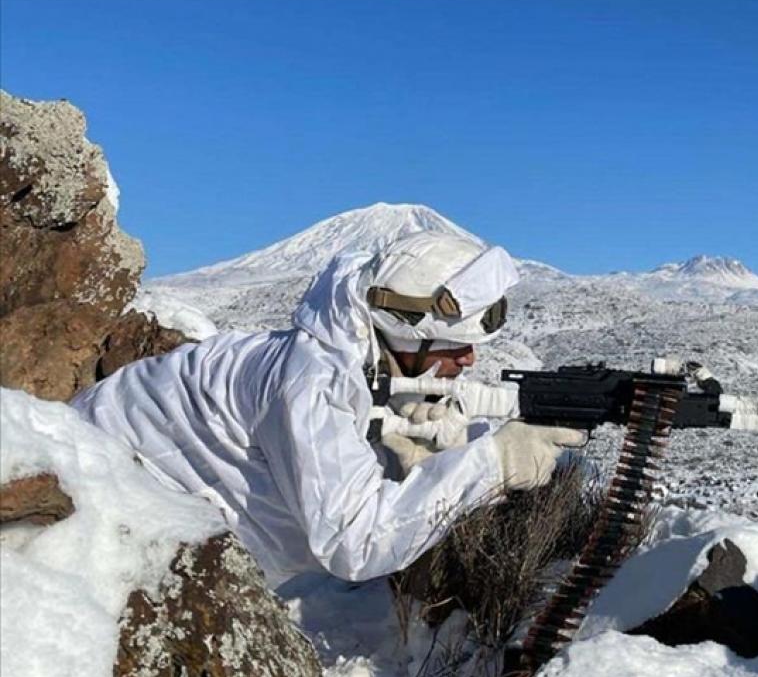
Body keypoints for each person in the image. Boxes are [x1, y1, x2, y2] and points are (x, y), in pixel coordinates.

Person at [71, 232, 585, 585]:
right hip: (86, 501)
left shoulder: (342, 351)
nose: (468, 359)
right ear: (402, 329)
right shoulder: (312, 382)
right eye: (453, 345)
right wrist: (493, 463)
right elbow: (354, 543)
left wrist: (395, 446)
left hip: (107, 474)